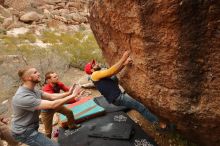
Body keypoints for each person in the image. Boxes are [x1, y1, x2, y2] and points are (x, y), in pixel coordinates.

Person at [84, 51, 167, 130]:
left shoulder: (97, 75)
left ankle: (154, 120)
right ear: (91, 70)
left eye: (94, 62)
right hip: (118, 97)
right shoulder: (94, 74)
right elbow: (111, 71)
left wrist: (124, 64)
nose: (96, 63)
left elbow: (113, 72)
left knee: (113, 77)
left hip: (116, 97)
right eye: (93, 65)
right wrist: (123, 58)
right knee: (140, 107)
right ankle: (158, 124)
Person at [11, 67, 81, 146]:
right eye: (35, 72)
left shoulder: (33, 90)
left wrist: (69, 93)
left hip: (32, 126)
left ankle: (72, 126)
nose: (39, 73)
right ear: (28, 78)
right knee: (49, 134)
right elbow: (52, 104)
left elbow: (52, 97)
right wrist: (73, 96)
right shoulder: (23, 97)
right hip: (23, 132)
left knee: (69, 112)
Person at [41, 71, 79, 138]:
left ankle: (72, 126)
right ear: (49, 80)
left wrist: (74, 90)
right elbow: (56, 100)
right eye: (55, 77)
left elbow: (67, 91)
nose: (57, 78)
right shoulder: (46, 89)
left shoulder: (59, 84)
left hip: (57, 105)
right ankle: (47, 142)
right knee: (48, 131)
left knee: (69, 112)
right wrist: (73, 99)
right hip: (47, 110)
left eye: (57, 76)